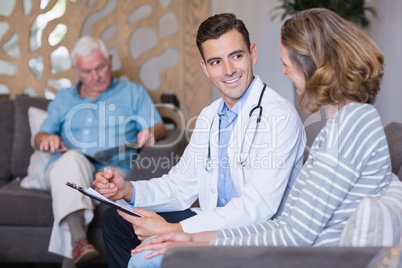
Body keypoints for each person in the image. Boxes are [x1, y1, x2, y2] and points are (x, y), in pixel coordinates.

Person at [129, 7, 393, 267]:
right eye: (216, 61)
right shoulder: (344, 124)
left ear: (314, 65)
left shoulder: (351, 127)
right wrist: (190, 236)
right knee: (140, 243)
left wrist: (191, 239)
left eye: (286, 63)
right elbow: (288, 227)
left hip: (301, 257)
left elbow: (292, 235)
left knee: (145, 258)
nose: (283, 72)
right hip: (283, 245)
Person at [94, 13, 306, 267]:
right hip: (215, 220)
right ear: (205, 67)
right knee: (116, 220)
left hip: (255, 234)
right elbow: (181, 185)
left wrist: (174, 230)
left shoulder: (278, 115)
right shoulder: (209, 116)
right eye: (216, 62)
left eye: (236, 56)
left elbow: (257, 209)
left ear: (253, 54)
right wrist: (127, 190)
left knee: (144, 257)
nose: (228, 70)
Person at [34, 36, 166, 267]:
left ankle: (76, 250)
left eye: (100, 67)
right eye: (86, 71)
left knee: (102, 178)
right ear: (76, 70)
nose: (95, 77)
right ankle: (79, 242)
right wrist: (47, 138)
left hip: (112, 167)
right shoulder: (64, 98)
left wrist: (150, 132)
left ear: (110, 61)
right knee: (72, 159)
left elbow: (159, 127)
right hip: (67, 166)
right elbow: (40, 137)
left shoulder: (132, 92)